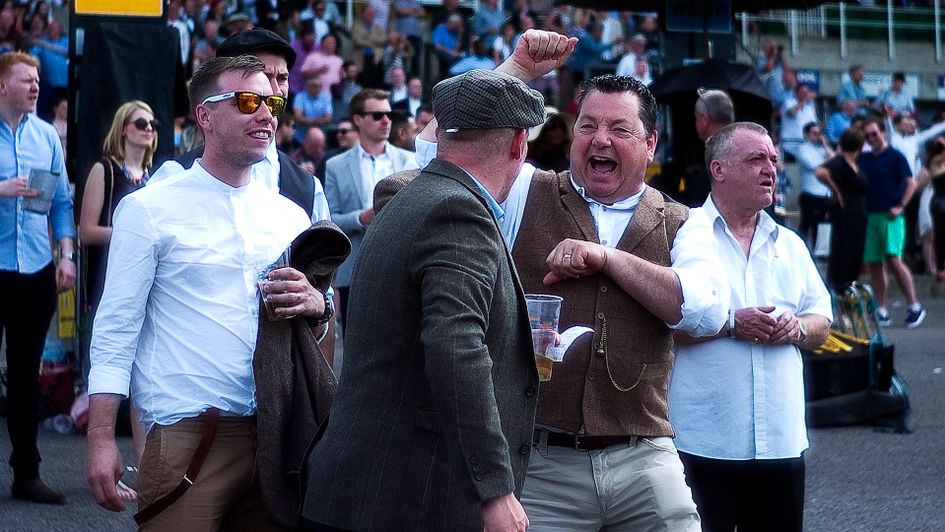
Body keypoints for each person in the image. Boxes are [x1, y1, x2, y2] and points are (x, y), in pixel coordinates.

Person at [416, 30, 729, 530]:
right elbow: (438, 150)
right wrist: (516, 71)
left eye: (619, 129)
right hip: (539, 461)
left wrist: (606, 258)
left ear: (650, 143)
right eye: (588, 126)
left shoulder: (682, 220)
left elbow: (706, 311)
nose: (600, 139)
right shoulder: (522, 191)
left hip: (644, 457)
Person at [85, 55, 333, 528]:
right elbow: (116, 327)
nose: (266, 114)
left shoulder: (289, 216)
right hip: (189, 436)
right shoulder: (149, 209)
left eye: (273, 101)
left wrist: (318, 304)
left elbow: (318, 328)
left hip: (277, 435)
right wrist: (100, 437)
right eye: (248, 101)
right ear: (205, 116)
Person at [304, 68, 547, 531]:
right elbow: (456, 348)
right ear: (519, 143)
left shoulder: (416, 198)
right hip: (404, 498)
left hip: (366, 492)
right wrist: (494, 490)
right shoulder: (457, 211)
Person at [670, 122, 832, 532]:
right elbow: (657, 325)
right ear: (719, 170)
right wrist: (728, 326)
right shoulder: (682, 234)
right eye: (756, 158)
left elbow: (822, 321)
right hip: (702, 441)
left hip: (781, 442)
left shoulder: (790, 245)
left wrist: (796, 329)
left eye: (773, 159)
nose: (771, 169)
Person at [0, 51, 75, 505]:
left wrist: (66, 254)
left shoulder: (46, 135)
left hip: (35, 269)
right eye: (26, 80)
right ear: (2, 86)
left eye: (37, 79)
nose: (35, 87)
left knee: (27, 378)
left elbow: (62, 202)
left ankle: (26, 474)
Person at [324, 88, 418, 324]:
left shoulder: (409, 161)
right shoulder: (336, 165)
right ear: (358, 120)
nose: (386, 120)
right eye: (378, 115)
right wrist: (361, 218)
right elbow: (329, 219)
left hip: (401, 267)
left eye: (388, 114)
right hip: (354, 269)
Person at [859, 118, 926, 328]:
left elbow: (911, 182)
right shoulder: (865, 158)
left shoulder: (895, 156)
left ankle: (914, 306)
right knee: (876, 263)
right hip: (871, 216)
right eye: (868, 135)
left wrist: (901, 206)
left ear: (883, 133)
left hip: (891, 216)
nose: (872, 138)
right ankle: (882, 309)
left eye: (875, 133)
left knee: (894, 259)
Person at [817, 128, 869, 291]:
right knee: (844, 248)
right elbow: (821, 172)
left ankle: (849, 282)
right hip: (846, 211)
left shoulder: (855, 163)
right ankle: (840, 283)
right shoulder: (840, 162)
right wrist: (836, 190)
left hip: (858, 212)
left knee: (855, 249)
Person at [795, 121, 835, 249]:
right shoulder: (802, 149)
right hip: (810, 193)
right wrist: (828, 160)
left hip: (825, 193)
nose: (818, 135)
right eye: (815, 133)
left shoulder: (822, 148)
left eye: (820, 133)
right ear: (807, 134)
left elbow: (836, 160)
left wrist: (826, 145)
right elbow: (813, 165)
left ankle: (819, 252)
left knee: (822, 226)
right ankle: (801, 250)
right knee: (806, 225)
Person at [780, 82, 818, 159]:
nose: (805, 95)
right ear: (796, 93)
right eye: (803, 93)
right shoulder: (789, 102)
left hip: (805, 144)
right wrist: (804, 100)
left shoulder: (809, 107)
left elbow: (814, 125)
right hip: (789, 144)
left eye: (807, 93)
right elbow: (791, 112)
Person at [292, 74, 332, 144]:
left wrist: (320, 121)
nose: (318, 88)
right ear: (308, 87)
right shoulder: (300, 97)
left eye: (320, 86)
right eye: (315, 86)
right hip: (301, 137)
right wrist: (313, 121)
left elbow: (329, 117)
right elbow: (297, 117)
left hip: (319, 136)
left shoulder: (326, 97)